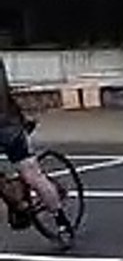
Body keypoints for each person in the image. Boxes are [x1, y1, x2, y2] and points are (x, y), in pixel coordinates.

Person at [0, 56, 74, 246]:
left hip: (7, 128)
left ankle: (61, 220)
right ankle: (16, 199)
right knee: (26, 175)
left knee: (32, 174)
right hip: (11, 123)